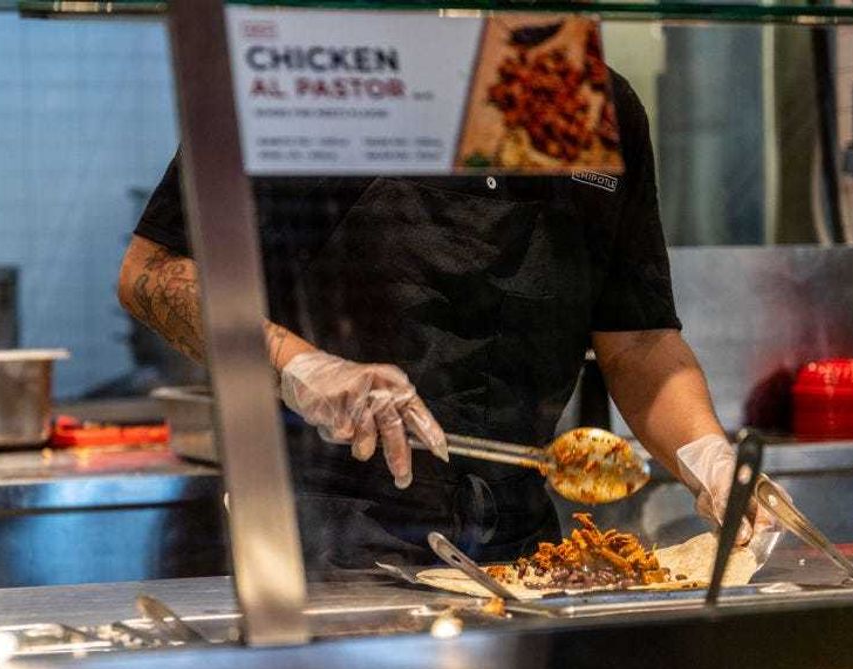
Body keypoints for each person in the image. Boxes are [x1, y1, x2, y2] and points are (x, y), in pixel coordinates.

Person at [117, 71, 781, 572]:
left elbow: (638, 340)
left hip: (526, 555)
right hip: (325, 542)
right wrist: (297, 364)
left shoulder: (593, 102)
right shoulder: (320, 77)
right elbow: (154, 272)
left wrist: (708, 457)